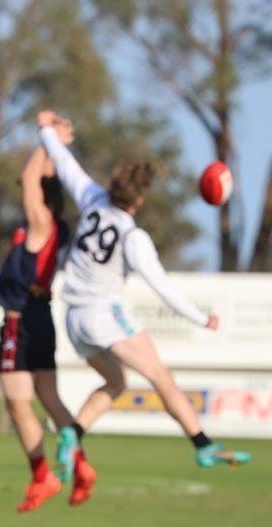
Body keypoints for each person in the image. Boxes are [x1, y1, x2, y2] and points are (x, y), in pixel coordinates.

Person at [36, 109, 252, 471]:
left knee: (117, 382)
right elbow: (163, 287)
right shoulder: (132, 236)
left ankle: (73, 433)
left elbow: (63, 160)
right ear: (140, 199)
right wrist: (201, 318)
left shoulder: (91, 197)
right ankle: (203, 445)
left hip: (73, 319)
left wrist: (45, 129)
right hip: (102, 314)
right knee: (160, 376)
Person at [0, 128, 97, 513]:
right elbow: (31, 180)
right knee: (48, 397)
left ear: (43, 197)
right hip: (40, 317)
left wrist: (47, 134)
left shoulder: (41, 223)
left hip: (20, 321)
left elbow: (29, 179)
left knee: (18, 402)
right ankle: (81, 466)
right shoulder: (54, 227)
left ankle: (42, 476)